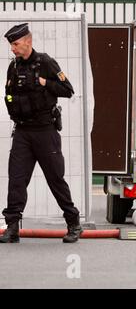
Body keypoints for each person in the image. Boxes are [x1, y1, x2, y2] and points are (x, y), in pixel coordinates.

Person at [0, 23, 82, 243]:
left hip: (45, 131)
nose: (13, 49)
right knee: (16, 180)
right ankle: (12, 227)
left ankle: (73, 223)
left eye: (16, 44)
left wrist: (44, 82)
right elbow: (9, 95)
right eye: (11, 45)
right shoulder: (13, 67)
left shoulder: (45, 62)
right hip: (23, 132)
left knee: (55, 179)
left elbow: (68, 89)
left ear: (28, 41)